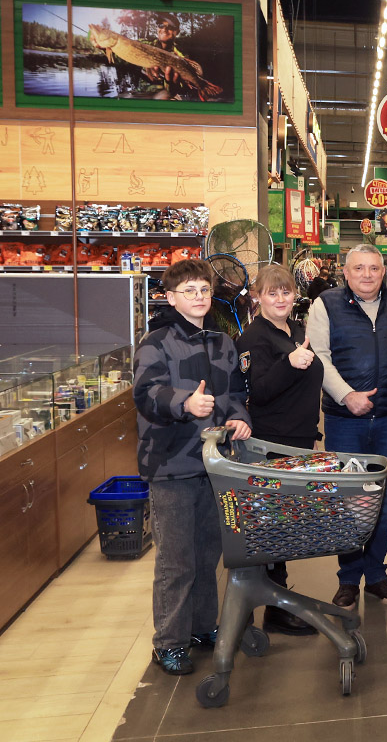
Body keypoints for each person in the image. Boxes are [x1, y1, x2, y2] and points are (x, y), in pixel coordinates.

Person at [133, 259, 252, 675]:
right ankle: (169, 642)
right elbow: (146, 394)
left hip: (214, 465)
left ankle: (202, 627)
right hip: (171, 465)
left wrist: (240, 419)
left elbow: (236, 392)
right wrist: (184, 403)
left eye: (204, 290)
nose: (199, 297)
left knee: (206, 554)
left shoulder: (222, 341)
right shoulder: (156, 342)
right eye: (189, 291)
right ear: (170, 298)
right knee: (176, 561)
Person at [308, 243, 387, 611]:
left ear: (384, 272)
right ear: (346, 271)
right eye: (359, 268)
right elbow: (319, 357)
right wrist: (346, 395)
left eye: (374, 268)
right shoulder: (325, 304)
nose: (367, 275)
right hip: (344, 422)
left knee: (385, 501)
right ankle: (349, 579)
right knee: (350, 501)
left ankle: (377, 574)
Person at [236, 264, 323, 636]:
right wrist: (289, 363)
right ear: (258, 297)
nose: (281, 299)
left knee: (285, 523)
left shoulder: (297, 330)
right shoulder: (254, 338)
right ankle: (272, 606)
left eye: (286, 291)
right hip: (270, 446)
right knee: (272, 524)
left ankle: (276, 601)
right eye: (272, 293)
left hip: (298, 442)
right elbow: (259, 392)